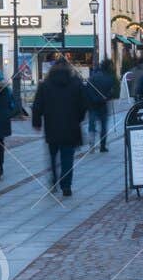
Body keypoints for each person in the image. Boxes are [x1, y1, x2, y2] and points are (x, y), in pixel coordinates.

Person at [31, 57, 87, 195]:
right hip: (71, 127)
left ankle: (53, 180)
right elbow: (83, 105)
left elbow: (37, 106)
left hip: (52, 127)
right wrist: (78, 119)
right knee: (67, 158)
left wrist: (37, 122)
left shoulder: (45, 85)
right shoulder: (76, 83)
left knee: (52, 156)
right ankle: (66, 185)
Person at [84, 58, 117, 153]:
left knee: (92, 124)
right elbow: (112, 92)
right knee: (103, 126)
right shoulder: (109, 78)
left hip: (93, 105)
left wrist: (92, 100)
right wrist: (106, 97)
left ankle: (91, 144)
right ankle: (102, 146)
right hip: (103, 105)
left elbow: (88, 92)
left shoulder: (92, 78)